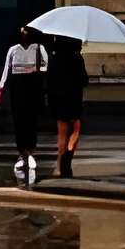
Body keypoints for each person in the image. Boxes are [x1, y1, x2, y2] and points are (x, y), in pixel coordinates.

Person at [0, 29, 50, 181]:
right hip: (17, 85)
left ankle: (31, 152)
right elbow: (6, 68)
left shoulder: (38, 48)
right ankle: (22, 154)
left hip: (33, 85)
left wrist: (37, 71)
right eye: (22, 31)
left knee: (31, 120)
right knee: (19, 120)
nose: (24, 33)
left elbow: (46, 65)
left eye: (26, 31)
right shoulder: (13, 49)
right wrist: (1, 85)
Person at [46, 35, 88, 177]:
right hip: (74, 97)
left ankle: (59, 165)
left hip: (59, 99)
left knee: (62, 132)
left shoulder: (54, 58)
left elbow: (49, 80)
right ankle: (69, 154)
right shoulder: (77, 58)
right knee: (76, 129)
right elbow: (84, 80)